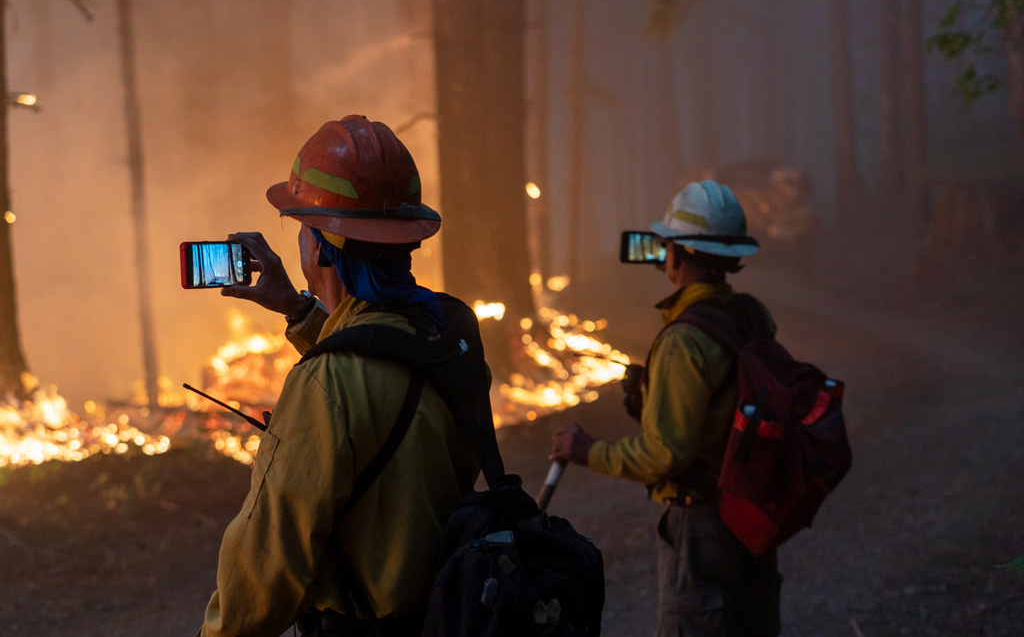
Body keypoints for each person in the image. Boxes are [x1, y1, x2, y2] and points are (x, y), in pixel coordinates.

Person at [196, 115, 482, 637]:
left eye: (304, 229)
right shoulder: (451, 330)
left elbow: (267, 563)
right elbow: (382, 364)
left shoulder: (326, 384)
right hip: (446, 612)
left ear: (323, 247)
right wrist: (301, 313)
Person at [549, 180, 782, 637]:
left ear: (675, 255)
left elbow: (667, 455)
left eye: (667, 246)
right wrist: (654, 402)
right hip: (750, 513)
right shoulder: (752, 315)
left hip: (703, 525)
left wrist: (587, 450)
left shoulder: (683, 340)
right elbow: (725, 411)